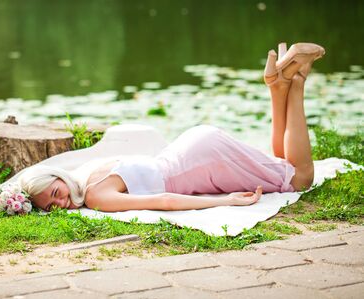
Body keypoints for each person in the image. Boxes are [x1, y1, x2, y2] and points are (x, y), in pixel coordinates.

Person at [18, 42, 325, 213]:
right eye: (51, 207)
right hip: (191, 148)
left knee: (299, 178)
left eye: (56, 193)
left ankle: (295, 84)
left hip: (203, 162)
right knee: (280, 166)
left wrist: (224, 201)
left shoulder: (97, 196)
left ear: (60, 179)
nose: (60, 204)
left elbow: (163, 201)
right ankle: (277, 86)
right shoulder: (89, 171)